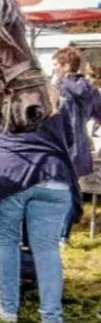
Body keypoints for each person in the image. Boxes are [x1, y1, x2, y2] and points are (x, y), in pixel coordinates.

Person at [0, 101, 78, 323]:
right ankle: (51, 319)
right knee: (47, 250)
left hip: (9, 176)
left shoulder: (2, 99)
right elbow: (71, 139)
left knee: (6, 243)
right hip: (54, 176)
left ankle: (8, 307)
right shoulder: (56, 102)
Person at [52, 47, 101, 242]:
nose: (55, 68)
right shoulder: (91, 89)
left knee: (58, 191)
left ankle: (60, 233)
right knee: (72, 189)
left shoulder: (59, 88)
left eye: (56, 64)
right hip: (81, 148)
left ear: (65, 66)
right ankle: (64, 233)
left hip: (60, 146)